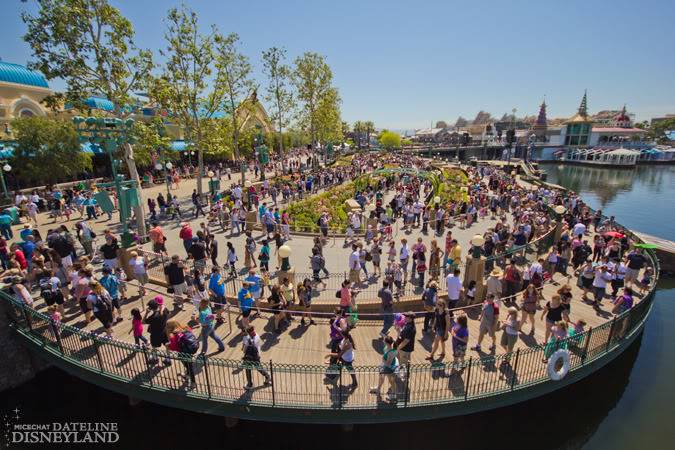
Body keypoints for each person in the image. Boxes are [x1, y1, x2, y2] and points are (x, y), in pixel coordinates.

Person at [166, 320, 198, 388]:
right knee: (189, 365)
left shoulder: (173, 334)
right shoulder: (185, 327)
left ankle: (193, 382)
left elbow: (175, 347)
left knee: (189, 366)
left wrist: (168, 346)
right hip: (191, 347)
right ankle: (187, 375)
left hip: (184, 351)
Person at [369, 335, 399, 401]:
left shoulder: (391, 352)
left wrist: (383, 359)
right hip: (385, 365)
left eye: (384, 340)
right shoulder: (388, 346)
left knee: (391, 381)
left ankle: (394, 395)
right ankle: (378, 389)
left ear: (387, 343)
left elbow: (388, 363)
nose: (383, 341)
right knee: (381, 377)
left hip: (390, 367)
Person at [242, 326, 272, 390]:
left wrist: (244, 351)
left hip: (249, 356)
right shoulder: (257, 336)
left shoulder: (246, 338)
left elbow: (245, 349)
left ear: (247, 332)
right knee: (258, 367)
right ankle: (267, 376)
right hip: (256, 355)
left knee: (248, 369)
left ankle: (249, 384)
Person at [144, 297, 171, 366]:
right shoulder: (164, 311)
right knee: (167, 345)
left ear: (151, 308)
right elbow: (166, 310)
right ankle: (168, 358)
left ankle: (155, 358)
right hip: (164, 331)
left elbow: (143, 321)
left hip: (155, 334)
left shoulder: (153, 317)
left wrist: (146, 313)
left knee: (154, 346)